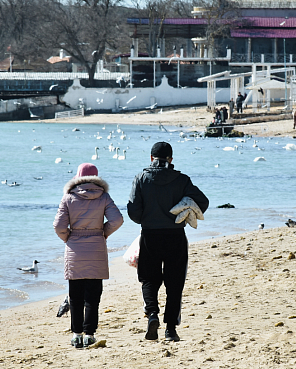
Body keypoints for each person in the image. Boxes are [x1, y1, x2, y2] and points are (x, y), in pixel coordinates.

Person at [127, 142, 209, 342]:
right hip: (175, 236)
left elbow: (133, 211)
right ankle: (170, 329)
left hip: (150, 235)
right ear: (171, 159)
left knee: (148, 278)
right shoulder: (182, 180)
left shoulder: (141, 178)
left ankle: (152, 314)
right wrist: (185, 211)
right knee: (175, 282)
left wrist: (146, 219)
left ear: (151, 157)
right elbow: (203, 202)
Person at [53, 163, 123, 348]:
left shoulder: (68, 197)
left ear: (77, 177)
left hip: (75, 249)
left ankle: (76, 335)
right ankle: (89, 335)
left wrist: (69, 237)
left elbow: (58, 226)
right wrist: (103, 232)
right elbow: (117, 220)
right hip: (97, 248)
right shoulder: (104, 196)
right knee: (93, 296)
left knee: (75, 295)